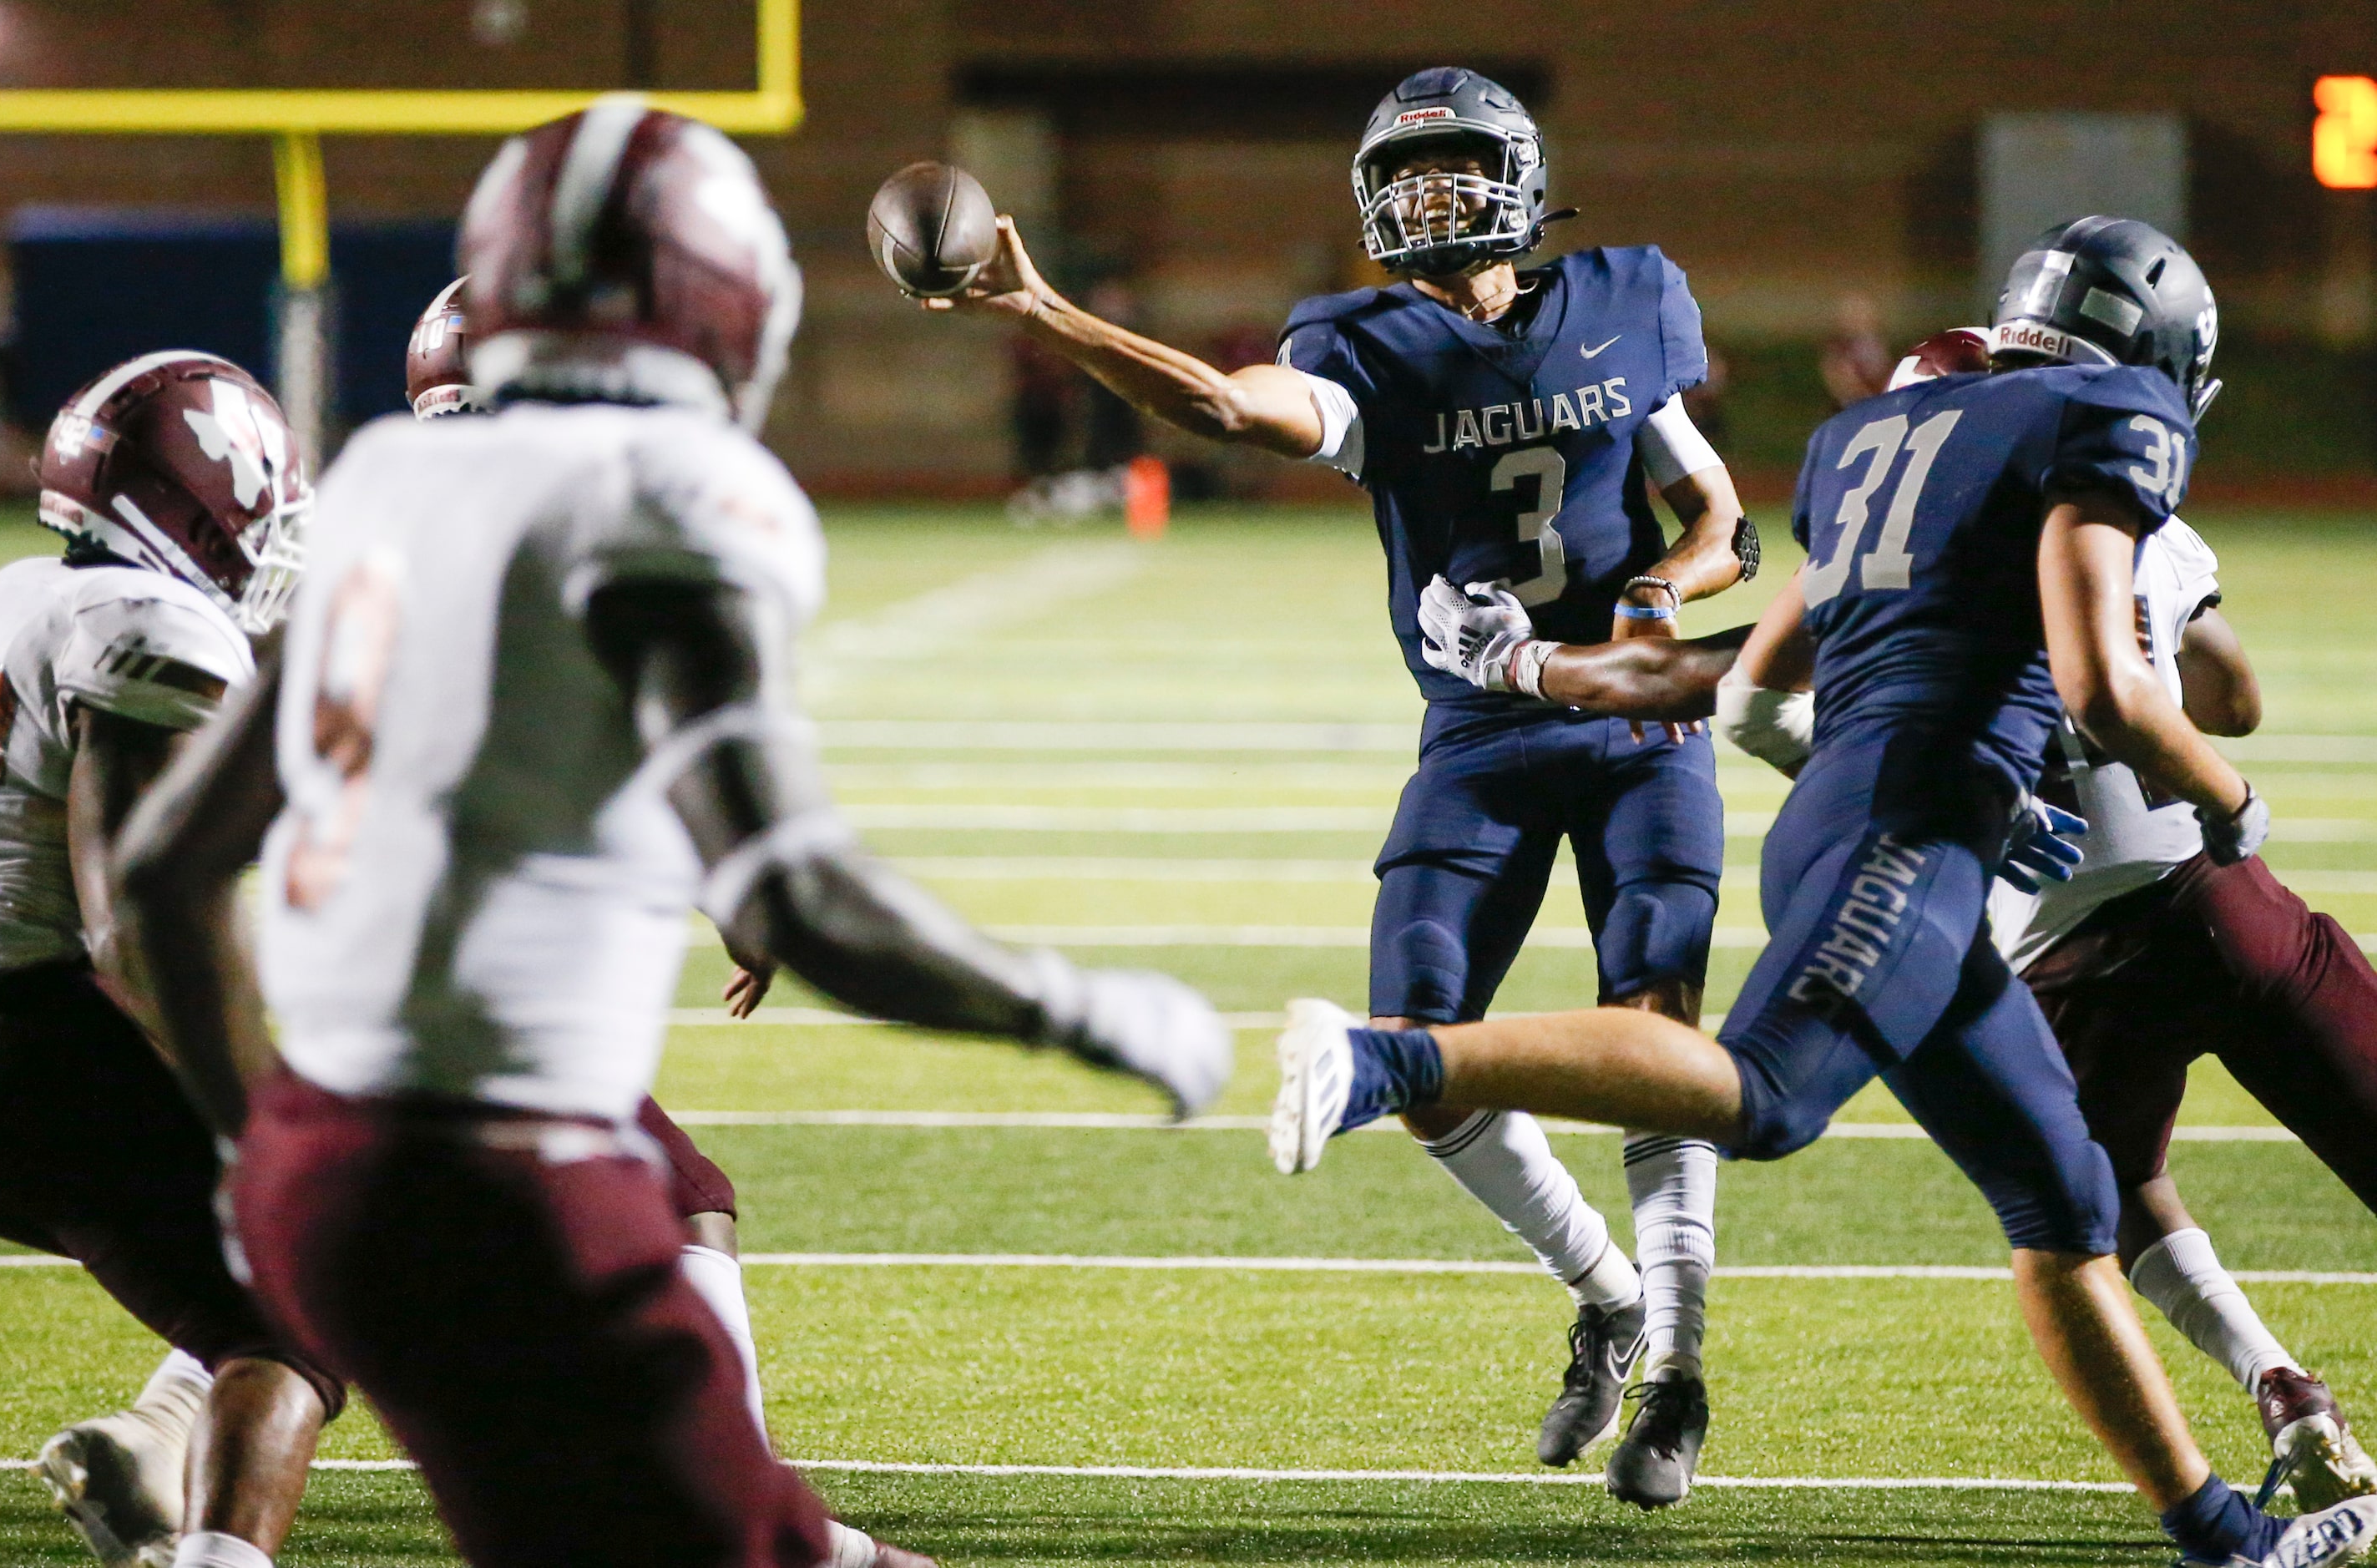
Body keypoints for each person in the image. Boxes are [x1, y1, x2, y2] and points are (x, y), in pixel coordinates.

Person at [109, 99, 1230, 1568]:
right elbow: (803, 888)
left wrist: (260, 1147)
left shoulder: (385, 478)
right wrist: (1081, 1005)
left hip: (320, 1165)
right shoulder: (672, 494)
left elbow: (166, 867)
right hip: (515, 1183)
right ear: (722, 292)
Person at [1272, 217, 2377, 1566]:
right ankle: (1395, 1058)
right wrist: (2220, 796)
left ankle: (2222, 1537)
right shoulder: (2106, 409)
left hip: (1874, 813)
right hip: (1912, 831)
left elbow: (1749, 695)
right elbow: (2112, 690)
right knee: (1766, 1095)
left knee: (2063, 1202)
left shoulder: (1862, 441)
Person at [928, 63, 1753, 1502]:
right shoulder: (1360, 341)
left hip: (1635, 727)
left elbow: (1723, 518)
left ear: (1516, 175)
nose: (1428, 198)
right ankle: (1609, 1295)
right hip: (1479, 732)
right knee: (1419, 1052)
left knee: (1652, 1032)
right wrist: (1048, 315)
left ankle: (1676, 1365)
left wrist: (1656, 603)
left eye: (1453, 168)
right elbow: (1232, 410)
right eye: (1405, 175)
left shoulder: (1626, 296)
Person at [1879, 327, 2376, 1514]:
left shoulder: (1886, 579)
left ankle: (2278, 1383)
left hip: (2058, 953)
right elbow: (2232, 696)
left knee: (2114, 1190)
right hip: (2213, 897)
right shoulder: (2114, 507)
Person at [0, 350, 335, 1568]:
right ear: (197, 498)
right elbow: (135, 911)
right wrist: (252, 1107)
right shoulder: (150, 625)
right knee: (292, 1309)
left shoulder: (18, 592)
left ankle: (140, 1471)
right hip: (22, 1033)